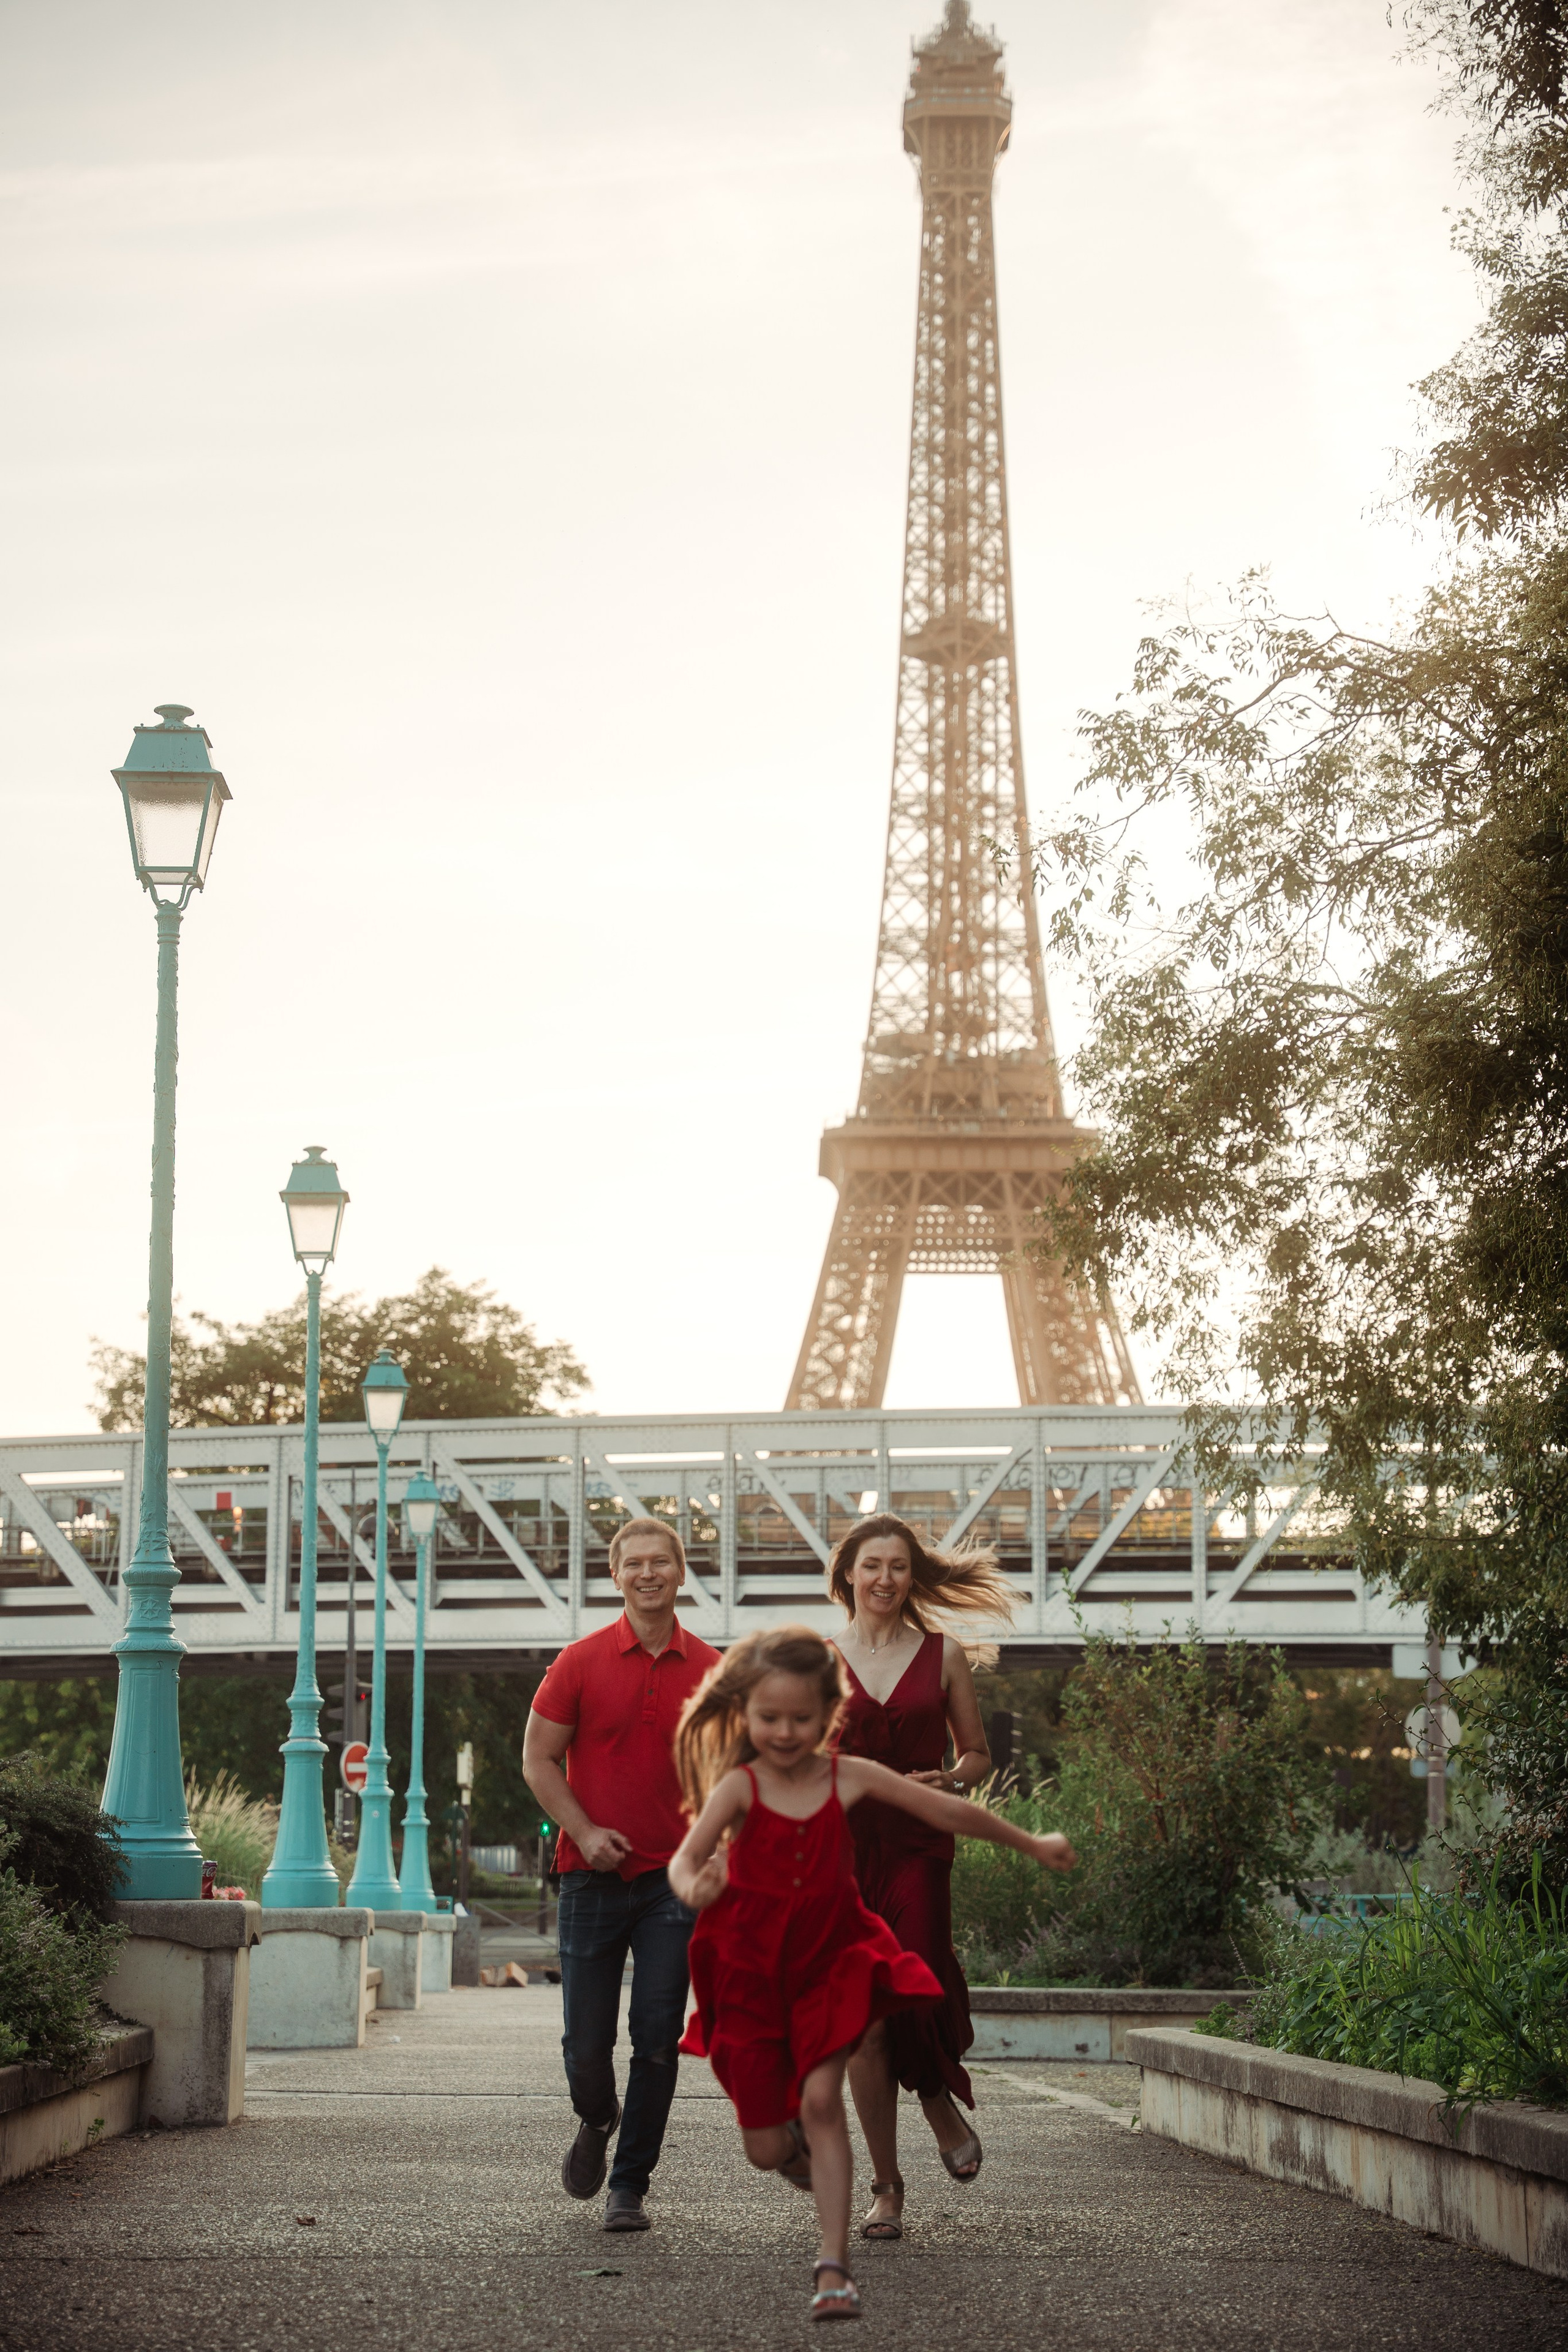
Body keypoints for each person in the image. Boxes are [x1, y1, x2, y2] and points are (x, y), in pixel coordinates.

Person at [669, 1625, 1075, 2323]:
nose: (786, 1732)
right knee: (765, 2146)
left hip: (830, 1963)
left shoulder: (844, 1776)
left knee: (824, 2100)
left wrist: (1029, 1841)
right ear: (745, 1717)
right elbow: (685, 1859)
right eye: (770, 1719)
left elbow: (942, 1807)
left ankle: (834, 2270)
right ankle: (789, 2154)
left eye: (802, 1719)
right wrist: (693, 1883)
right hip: (752, 1973)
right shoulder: (738, 1787)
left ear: (829, 1717)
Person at [523, 1517, 722, 2234]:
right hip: (589, 1879)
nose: (648, 1574)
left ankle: (630, 2185)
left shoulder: (711, 1670)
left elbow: (732, 1772)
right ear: (615, 1575)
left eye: (661, 1562)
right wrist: (581, 1830)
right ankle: (595, 2114)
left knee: (658, 2035)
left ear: (679, 1572)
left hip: (674, 1883)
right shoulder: (576, 1663)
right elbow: (538, 1760)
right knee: (585, 2045)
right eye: (634, 1563)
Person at [825, 1512, 1017, 2240]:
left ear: (912, 1576)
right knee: (862, 2027)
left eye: (898, 1567)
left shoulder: (942, 1656)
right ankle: (886, 2187)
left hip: (916, 1845)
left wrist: (952, 1778)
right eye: (871, 1566)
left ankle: (935, 2094)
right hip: (841, 1854)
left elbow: (976, 1756)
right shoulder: (815, 1658)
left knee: (917, 1977)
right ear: (848, 1573)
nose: (884, 1579)